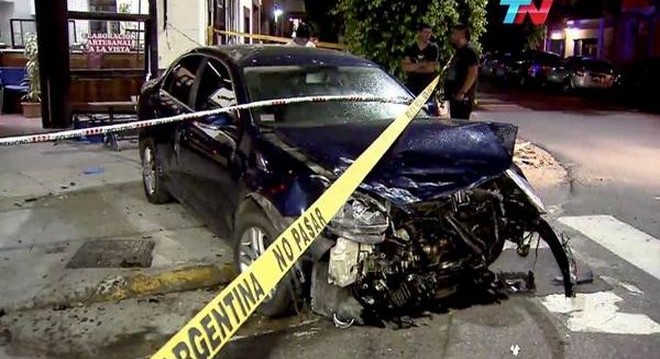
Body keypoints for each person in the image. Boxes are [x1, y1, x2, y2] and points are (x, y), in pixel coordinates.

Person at [443, 23, 480, 120]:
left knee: (461, 125)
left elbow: (472, 73)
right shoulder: (459, 51)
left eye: (454, 34)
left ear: (461, 35)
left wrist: (462, 92)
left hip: (463, 98)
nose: (452, 37)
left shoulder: (470, 51)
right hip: (455, 96)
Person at [401, 23, 439, 96]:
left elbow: (430, 68)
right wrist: (422, 64)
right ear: (419, 33)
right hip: (411, 85)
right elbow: (405, 67)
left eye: (429, 33)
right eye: (425, 32)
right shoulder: (410, 48)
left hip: (427, 86)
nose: (428, 35)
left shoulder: (433, 48)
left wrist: (413, 67)